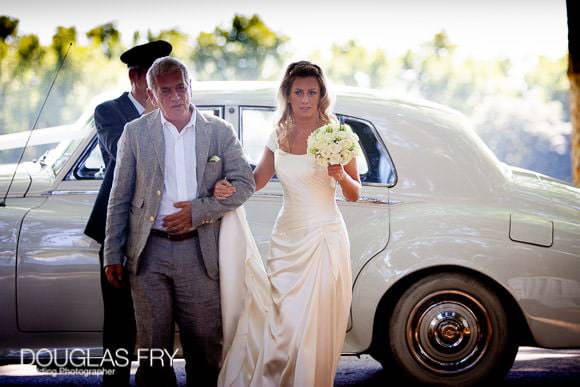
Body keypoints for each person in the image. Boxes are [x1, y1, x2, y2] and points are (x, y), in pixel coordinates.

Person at [103, 56, 255, 387]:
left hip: (200, 253)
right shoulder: (134, 133)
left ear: (190, 87)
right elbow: (120, 196)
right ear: (152, 93)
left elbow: (246, 183)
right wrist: (112, 253)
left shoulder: (218, 131)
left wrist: (199, 211)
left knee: (204, 347)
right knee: (153, 351)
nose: (175, 96)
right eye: (165, 90)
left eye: (180, 88)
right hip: (149, 253)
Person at [216, 60, 361, 386]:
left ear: (321, 94)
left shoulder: (338, 135)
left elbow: (355, 193)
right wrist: (230, 188)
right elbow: (258, 179)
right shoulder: (278, 134)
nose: (306, 98)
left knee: (315, 325)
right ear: (288, 94)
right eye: (299, 92)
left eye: (312, 92)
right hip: (286, 240)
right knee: (283, 323)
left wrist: (340, 174)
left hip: (324, 239)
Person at [83, 40, 172, 387]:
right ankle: (114, 382)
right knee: (119, 320)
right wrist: (153, 117)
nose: (161, 88)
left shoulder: (173, 109)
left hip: (159, 228)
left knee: (157, 317)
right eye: (154, 78)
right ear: (136, 77)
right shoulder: (109, 111)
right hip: (118, 229)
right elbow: (120, 153)